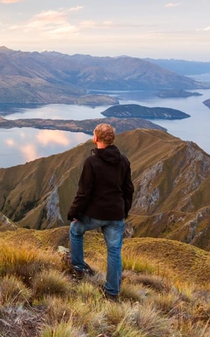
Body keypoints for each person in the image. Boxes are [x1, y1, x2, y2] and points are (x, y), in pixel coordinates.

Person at [66, 123, 133, 300]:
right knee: (114, 251)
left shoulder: (92, 162)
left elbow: (84, 193)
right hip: (116, 215)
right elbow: (128, 190)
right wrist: (123, 211)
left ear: (96, 138)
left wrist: (73, 213)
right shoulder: (124, 160)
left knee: (75, 231)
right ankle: (112, 292)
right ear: (112, 139)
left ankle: (78, 269)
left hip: (94, 214)